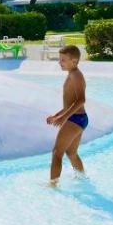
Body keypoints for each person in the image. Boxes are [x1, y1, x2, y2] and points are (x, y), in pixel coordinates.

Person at [46, 45, 87, 186]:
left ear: (74, 61)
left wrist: (63, 118)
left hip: (75, 119)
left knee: (57, 152)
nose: (60, 62)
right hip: (79, 119)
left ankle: (52, 185)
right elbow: (70, 103)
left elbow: (81, 100)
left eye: (63, 60)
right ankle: (82, 179)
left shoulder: (76, 75)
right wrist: (57, 115)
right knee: (71, 153)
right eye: (60, 59)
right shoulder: (72, 74)